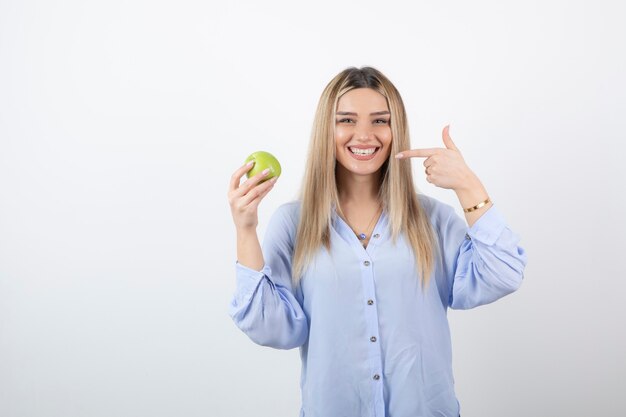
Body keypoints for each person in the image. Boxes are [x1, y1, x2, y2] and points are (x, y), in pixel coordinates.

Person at [227, 66, 527, 417]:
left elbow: (503, 274)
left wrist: (468, 186)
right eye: (347, 120)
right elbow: (272, 328)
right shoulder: (294, 223)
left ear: (395, 128)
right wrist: (245, 229)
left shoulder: (432, 220)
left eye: (380, 121)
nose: (365, 135)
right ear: (327, 128)